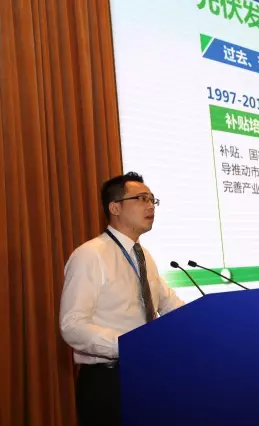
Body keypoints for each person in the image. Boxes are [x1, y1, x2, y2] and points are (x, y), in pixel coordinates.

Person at [59, 172, 184, 426]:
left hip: (147, 374)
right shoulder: (90, 255)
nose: (151, 206)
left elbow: (170, 305)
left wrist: (209, 322)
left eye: (152, 199)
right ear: (115, 207)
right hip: (109, 381)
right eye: (141, 199)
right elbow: (72, 325)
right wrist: (130, 345)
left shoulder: (144, 256)